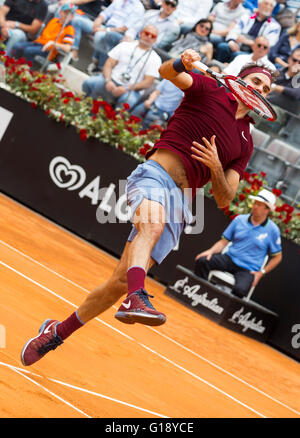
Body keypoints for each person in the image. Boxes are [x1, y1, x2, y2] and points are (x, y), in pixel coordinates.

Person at [20, 49, 276, 367]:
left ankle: (57, 332)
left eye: (265, 90)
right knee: (151, 227)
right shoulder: (209, 89)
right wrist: (183, 61)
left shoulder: (245, 141)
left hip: (183, 203)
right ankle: (138, 295)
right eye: (256, 82)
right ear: (240, 80)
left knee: (117, 282)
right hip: (155, 175)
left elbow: (226, 198)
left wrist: (214, 167)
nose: (259, 91)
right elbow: (167, 72)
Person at [194, 189, 282, 298]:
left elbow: (277, 257)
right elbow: (223, 242)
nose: (255, 207)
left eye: (259, 205)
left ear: (267, 210)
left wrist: (261, 272)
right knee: (202, 261)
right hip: (229, 259)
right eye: (255, 203)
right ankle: (201, 295)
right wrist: (210, 251)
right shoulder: (239, 220)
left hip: (249, 269)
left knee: (240, 290)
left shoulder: (273, 230)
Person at [82, 25, 161, 108]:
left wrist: (126, 88)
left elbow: (147, 82)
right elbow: (109, 64)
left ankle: (113, 120)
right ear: (141, 33)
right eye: (147, 33)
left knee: (128, 102)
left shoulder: (155, 59)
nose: (149, 37)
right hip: (112, 79)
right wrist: (108, 80)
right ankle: (84, 107)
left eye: (153, 36)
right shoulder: (125, 45)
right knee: (88, 83)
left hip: (132, 89)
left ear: (155, 40)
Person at [85, 0, 145, 72]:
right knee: (78, 21)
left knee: (105, 35)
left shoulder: (138, 7)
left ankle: (100, 66)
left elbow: (124, 29)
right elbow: (105, 13)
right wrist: (99, 19)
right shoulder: (118, 1)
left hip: (122, 35)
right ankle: (97, 63)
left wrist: (105, 30)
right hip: (106, 27)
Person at [216, 0, 281, 63]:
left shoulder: (275, 26)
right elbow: (234, 30)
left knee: (238, 55)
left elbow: (270, 43)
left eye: (271, 5)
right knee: (222, 47)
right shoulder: (247, 16)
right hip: (238, 44)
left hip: (253, 52)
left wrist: (249, 42)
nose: (268, 7)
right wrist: (231, 42)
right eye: (266, 4)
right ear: (259, 5)